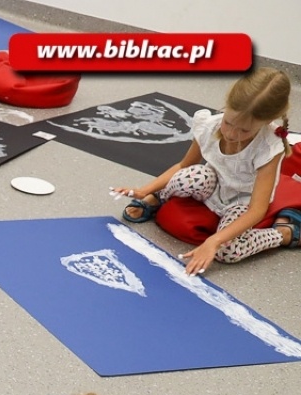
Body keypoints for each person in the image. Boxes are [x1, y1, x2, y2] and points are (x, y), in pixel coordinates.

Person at [113, 67, 299, 274]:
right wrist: (145, 190)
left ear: (266, 122)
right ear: (226, 105)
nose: (231, 134)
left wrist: (215, 241)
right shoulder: (209, 125)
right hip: (212, 184)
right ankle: (158, 198)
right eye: (228, 122)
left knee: (227, 252)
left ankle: (284, 234)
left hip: (241, 202)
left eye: (244, 130)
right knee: (189, 177)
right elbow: (184, 165)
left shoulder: (269, 147)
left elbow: (257, 210)